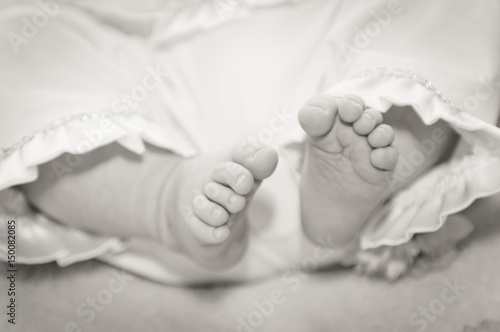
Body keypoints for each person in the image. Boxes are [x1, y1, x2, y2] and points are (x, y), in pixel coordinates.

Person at [0, 0, 499, 284]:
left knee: (455, 12)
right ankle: (164, 197)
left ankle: (332, 200)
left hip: (331, 68)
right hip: (149, 98)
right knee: (19, 45)